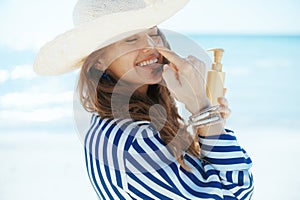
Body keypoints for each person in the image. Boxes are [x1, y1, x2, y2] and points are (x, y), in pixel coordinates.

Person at [33, 0, 254, 199]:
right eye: (131, 39)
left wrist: (211, 124)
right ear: (99, 61)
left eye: (154, 32)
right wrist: (201, 108)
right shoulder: (129, 143)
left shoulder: (136, 123)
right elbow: (236, 192)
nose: (151, 45)